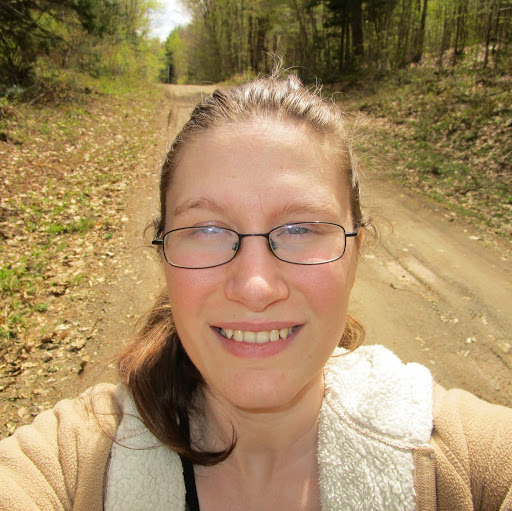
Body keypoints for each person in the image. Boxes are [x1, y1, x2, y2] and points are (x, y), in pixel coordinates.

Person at [1, 73, 511, 511]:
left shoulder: (462, 457)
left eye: (300, 228)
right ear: (164, 254)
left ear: (356, 252)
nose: (255, 287)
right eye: (207, 229)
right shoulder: (73, 460)